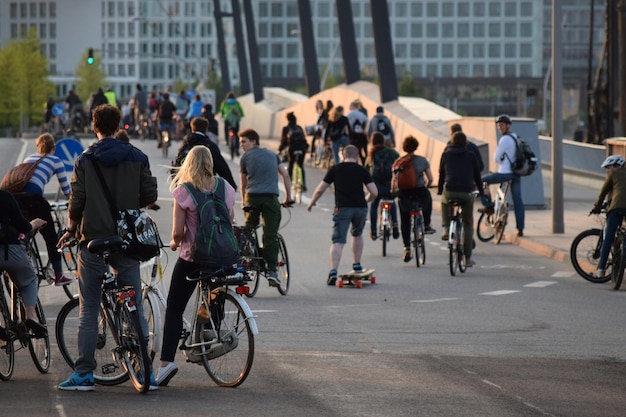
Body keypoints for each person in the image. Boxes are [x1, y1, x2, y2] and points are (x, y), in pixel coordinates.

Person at [56, 104, 158, 391]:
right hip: (127, 241)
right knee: (134, 304)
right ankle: (145, 370)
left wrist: (70, 229)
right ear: (119, 124)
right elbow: (150, 194)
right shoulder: (138, 156)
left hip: (93, 240)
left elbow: (77, 200)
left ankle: (85, 374)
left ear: (93, 125)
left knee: (89, 308)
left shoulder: (85, 160)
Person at [156, 145, 237, 386]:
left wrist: (172, 243)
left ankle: (165, 364)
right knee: (214, 290)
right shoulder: (226, 188)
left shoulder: (184, 191)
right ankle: (207, 333)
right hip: (223, 257)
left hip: (194, 258)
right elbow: (230, 222)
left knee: (174, 309)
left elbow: (178, 232)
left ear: (188, 164)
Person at [307, 145, 377, 284]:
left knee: (338, 241)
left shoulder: (335, 169)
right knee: (357, 234)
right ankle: (357, 264)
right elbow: (374, 192)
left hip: (343, 208)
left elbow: (320, 189)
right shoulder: (362, 170)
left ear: (343, 156)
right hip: (360, 208)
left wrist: (312, 202)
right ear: (357, 156)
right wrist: (365, 200)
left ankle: (333, 271)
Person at [14, 133, 74, 286]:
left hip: (16, 198)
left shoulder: (29, 159)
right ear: (53, 148)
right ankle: (59, 275)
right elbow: (67, 191)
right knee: (50, 236)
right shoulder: (55, 160)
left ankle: (20, 258)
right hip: (34, 199)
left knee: (23, 231)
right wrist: (75, 202)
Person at [239, 128, 292, 286]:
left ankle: (249, 258)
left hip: (252, 198)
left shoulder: (245, 157)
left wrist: (243, 201)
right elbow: (285, 175)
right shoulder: (272, 155)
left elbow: (243, 183)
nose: (241, 145)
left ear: (254, 141)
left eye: (244, 141)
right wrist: (288, 197)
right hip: (270, 198)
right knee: (270, 234)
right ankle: (272, 271)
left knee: (248, 230)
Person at [0, 190, 48, 341]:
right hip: (11, 251)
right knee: (29, 281)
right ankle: (30, 316)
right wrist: (34, 223)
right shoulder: (5, 197)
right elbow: (23, 226)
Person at [438, 132, 485, 267]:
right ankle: (467, 258)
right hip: (466, 192)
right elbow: (477, 176)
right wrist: (481, 192)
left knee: (444, 202)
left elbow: (442, 175)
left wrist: (441, 190)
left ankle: (446, 227)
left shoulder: (446, 154)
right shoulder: (471, 155)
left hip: (450, 191)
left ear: (452, 142)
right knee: (468, 223)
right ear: (465, 143)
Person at [478, 114, 525, 237]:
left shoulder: (505, 139)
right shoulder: (516, 137)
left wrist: (502, 161)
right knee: (518, 200)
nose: (500, 127)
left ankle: (489, 206)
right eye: (498, 125)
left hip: (504, 173)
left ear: (508, 125)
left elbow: (496, 158)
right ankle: (520, 229)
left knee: (481, 180)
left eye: (502, 125)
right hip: (516, 174)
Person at [394, 135, 436, 262]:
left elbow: (394, 182)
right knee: (428, 200)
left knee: (405, 220)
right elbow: (431, 178)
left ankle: (407, 247)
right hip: (419, 192)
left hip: (404, 194)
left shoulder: (398, 162)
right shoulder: (422, 160)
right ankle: (427, 225)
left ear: (404, 147)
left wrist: (394, 191)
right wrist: (426, 187)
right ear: (416, 146)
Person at [172, 117, 237, 190]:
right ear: (206, 129)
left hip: (187, 186)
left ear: (192, 128)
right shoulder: (210, 145)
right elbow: (222, 167)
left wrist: (177, 185)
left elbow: (178, 164)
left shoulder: (186, 144)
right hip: (206, 187)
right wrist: (232, 184)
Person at [590, 155, 626, 278]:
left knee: (609, 238)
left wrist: (596, 207)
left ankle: (601, 270)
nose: (608, 171)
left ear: (617, 166)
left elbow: (602, 193)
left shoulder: (614, 175)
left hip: (616, 208)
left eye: (609, 168)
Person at [365, 132, 399, 241]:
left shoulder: (371, 155)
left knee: (374, 205)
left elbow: (366, 171)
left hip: (376, 187)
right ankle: (395, 224)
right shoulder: (392, 153)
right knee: (391, 201)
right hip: (389, 186)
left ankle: (373, 231)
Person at [278, 112, 308, 191]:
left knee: (291, 164)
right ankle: (303, 185)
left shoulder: (286, 128)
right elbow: (304, 139)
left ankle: (288, 182)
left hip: (293, 148)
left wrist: (280, 150)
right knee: (301, 166)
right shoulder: (299, 127)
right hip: (302, 148)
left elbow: (283, 141)